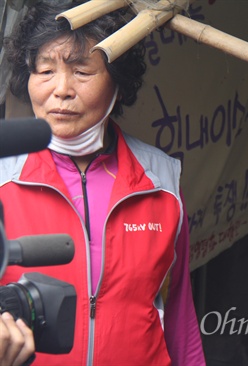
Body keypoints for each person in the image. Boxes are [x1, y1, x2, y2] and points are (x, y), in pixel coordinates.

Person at [0, 2, 205, 365]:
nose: (61, 89)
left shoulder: (161, 181)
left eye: (81, 71)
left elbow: (178, 315)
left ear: (119, 84)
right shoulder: (3, 178)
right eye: (45, 70)